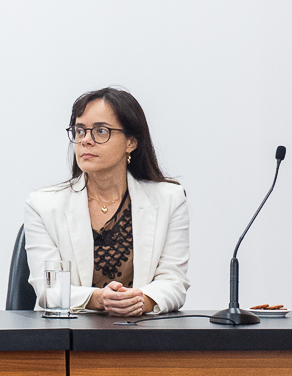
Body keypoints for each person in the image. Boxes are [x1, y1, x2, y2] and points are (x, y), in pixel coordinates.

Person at [23, 87, 188, 317]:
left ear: (131, 142)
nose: (86, 141)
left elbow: (174, 282)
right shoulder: (42, 206)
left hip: (143, 335)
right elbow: (48, 290)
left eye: (101, 131)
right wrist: (98, 299)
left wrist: (142, 300)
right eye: (80, 131)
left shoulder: (170, 199)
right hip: (71, 339)